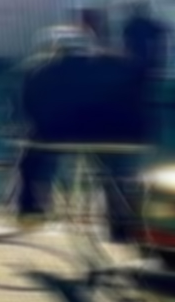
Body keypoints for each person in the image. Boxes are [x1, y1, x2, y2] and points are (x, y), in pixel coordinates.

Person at [16, 25, 151, 238]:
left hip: (64, 134)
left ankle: (31, 209)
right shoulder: (119, 64)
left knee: (30, 163)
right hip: (122, 134)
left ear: (56, 48)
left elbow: (29, 106)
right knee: (117, 176)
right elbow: (141, 92)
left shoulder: (41, 71)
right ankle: (122, 227)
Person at [123, 0, 168, 91]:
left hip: (136, 59)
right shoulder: (149, 25)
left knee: (139, 84)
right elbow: (164, 29)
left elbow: (127, 42)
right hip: (148, 58)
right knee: (149, 84)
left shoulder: (131, 25)